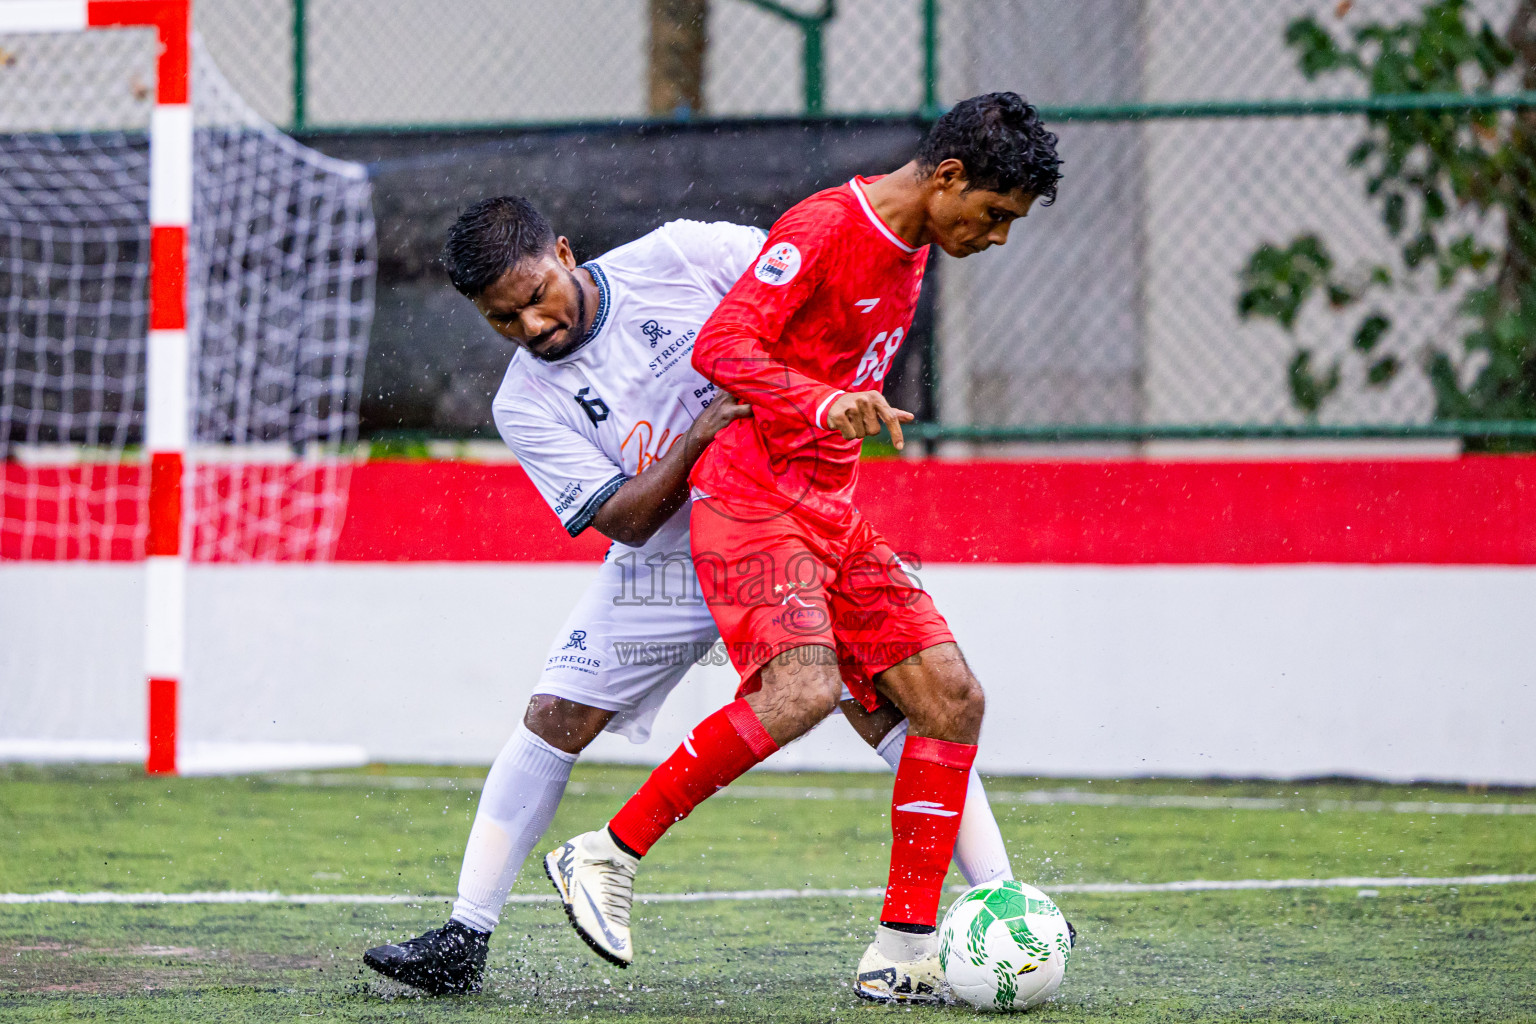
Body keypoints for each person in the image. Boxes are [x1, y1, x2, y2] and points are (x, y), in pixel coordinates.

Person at [361, 196, 1018, 995]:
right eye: (503, 319)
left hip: (775, 525)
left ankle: (1000, 902)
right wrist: (696, 441)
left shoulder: (680, 255)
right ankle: (464, 937)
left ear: (564, 253)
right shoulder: (522, 402)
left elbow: (800, 294)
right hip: (665, 563)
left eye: (536, 297)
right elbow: (625, 520)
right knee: (555, 717)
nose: (531, 326)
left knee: (905, 702)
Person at [545, 93, 1063, 1004]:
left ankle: (901, 952)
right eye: (993, 214)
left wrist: (833, 418)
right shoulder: (826, 227)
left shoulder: (913, 246)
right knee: (804, 690)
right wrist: (822, 403)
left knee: (952, 698)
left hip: (827, 510)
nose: (997, 236)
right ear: (947, 178)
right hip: (750, 500)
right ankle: (606, 852)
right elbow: (721, 346)